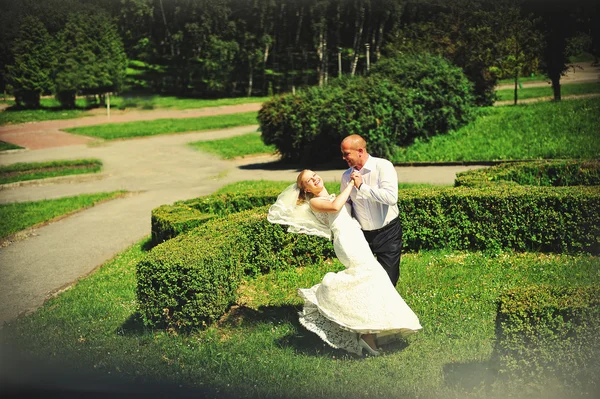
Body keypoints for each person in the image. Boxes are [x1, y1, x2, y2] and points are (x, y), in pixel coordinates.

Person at [267, 169, 422, 356]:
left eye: (314, 175)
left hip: (356, 237)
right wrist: (351, 184)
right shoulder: (316, 202)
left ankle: (369, 335)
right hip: (346, 241)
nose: (315, 179)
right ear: (305, 189)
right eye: (309, 180)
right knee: (371, 276)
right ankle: (327, 295)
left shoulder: (332, 195)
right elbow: (335, 206)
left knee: (372, 280)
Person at [340, 134, 402, 286]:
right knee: (361, 280)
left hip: (388, 233)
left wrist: (362, 187)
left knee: (388, 280)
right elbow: (346, 204)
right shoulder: (346, 176)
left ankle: (385, 308)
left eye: (346, 153)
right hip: (362, 236)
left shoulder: (383, 166)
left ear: (360, 151)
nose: (343, 158)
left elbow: (391, 197)